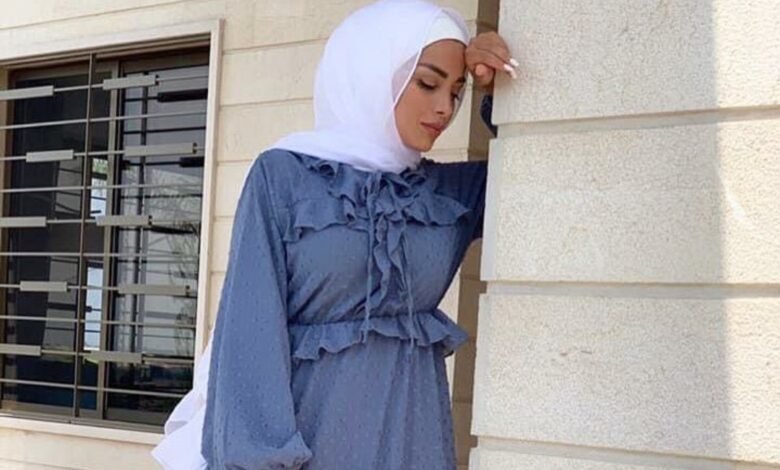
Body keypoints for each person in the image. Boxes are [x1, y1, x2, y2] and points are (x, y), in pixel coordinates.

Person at [151, 1, 514, 468]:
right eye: (427, 83)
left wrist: (497, 94)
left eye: (457, 91)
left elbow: (531, 173)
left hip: (413, 446)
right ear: (372, 72)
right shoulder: (284, 175)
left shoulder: (448, 195)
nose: (445, 107)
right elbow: (250, 331)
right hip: (309, 446)